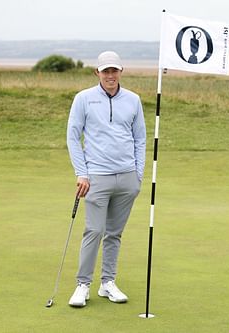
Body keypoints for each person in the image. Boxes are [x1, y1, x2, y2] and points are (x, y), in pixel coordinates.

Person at [66, 51, 146, 307]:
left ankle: (107, 283)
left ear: (121, 71)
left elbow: (140, 139)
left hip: (127, 177)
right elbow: (73, 137)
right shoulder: (84, 99)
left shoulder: (133, 100)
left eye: (114, 71)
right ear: (97, 73)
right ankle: (83, 284)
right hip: (96, 177)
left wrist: (138, 175)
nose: (110, 76)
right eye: (105, 71)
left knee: (114, 233)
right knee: (94, 230)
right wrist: (82, 172)